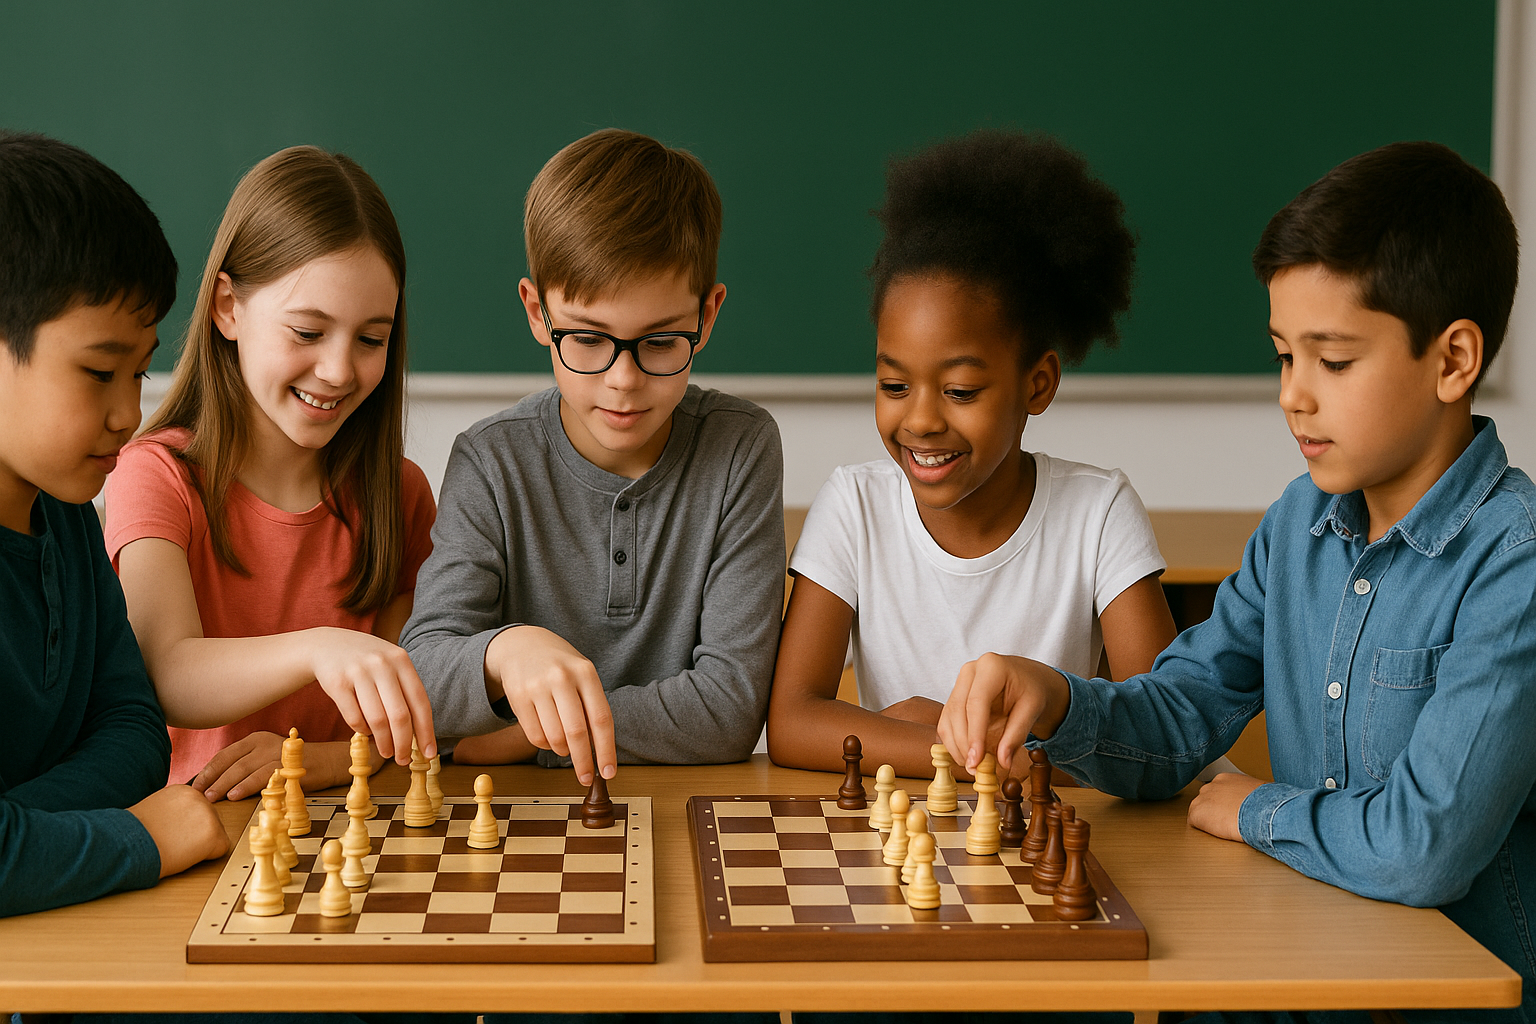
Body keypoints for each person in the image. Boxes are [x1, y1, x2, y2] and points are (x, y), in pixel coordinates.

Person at [939, 141, 1536, 1024]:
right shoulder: (1298, 522)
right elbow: (1181, 718)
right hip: (1309, 963)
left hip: (1449, 1002)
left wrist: (1259, 809)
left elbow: (1424, 848)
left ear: (1452, 361)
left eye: (1331, 362)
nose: (1294, 395)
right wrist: (1059, 701)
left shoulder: (1513, 563)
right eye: (1282, 356)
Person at [768, 132, 1180, 780]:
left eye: (960, 391)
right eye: (893, 386)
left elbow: (1162, 736)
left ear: (1037, 384)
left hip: (1040, 857)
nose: (922, 419)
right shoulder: (854, 506)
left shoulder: (1099, 514)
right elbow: (792, 722)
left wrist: (934, 739)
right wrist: (970, 751)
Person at [401, 128, 785, 786]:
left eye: (661, 342)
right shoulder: (492, 461)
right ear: (536, 312)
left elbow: (730, 706)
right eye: (586, 338)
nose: (623, 380)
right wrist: (504, 651)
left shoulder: (740, 448)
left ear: (708, 314)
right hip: (523, 827)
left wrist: (532, 736)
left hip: (685, 807)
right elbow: (423, 675)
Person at [105, 146, 438, 803]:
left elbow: (407, 723)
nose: (340, 370)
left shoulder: (401, 494)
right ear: (227, 307)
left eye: (371, 339)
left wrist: (318, 761)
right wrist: (318, 648)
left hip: (359, 836)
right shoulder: (155, 475)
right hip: (198, 844)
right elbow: (167, 668)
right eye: (308, 332)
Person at [0, 130, 227, 916]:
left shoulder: (64, 514)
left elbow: (134, 729)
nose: (130, 415)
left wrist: (19, 838)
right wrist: (141, 840)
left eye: (139, 371)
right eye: (99, 372)